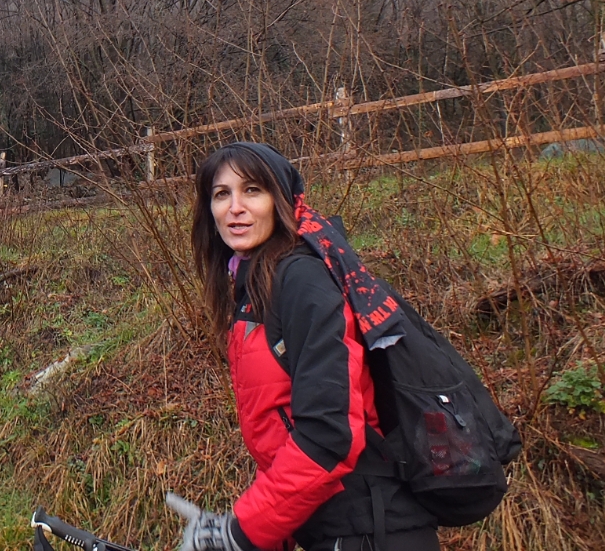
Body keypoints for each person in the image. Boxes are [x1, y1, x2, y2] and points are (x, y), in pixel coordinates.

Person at [166, 141, 438, 551]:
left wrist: (239, 532)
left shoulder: (301, 281)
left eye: (253, 190)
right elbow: (285, 429)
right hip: (331, 528)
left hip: (370, 531)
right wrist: (263, 531)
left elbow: (330, 434)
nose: (235, 207)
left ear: (281, 202)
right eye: (222, 194)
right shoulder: (254, 287)